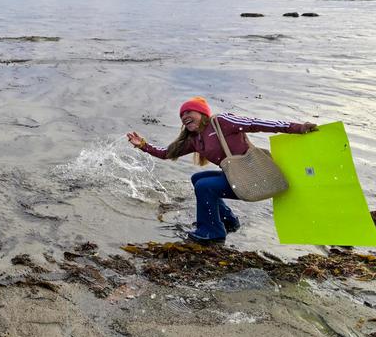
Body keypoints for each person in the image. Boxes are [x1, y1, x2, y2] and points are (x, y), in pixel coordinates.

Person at [127, 97, 316, 243]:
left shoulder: (221, 122)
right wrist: (142, 145)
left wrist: (298, 128)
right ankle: (227, 220)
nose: (184, 116)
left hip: (255, 177)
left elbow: (258, 123)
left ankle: (212, 232)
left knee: (205, 187)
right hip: (239, 178)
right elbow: (166, 153)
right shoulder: (195, 138)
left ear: (202, 113)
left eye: (189, 112)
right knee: (198, 178)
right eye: (182, 115)